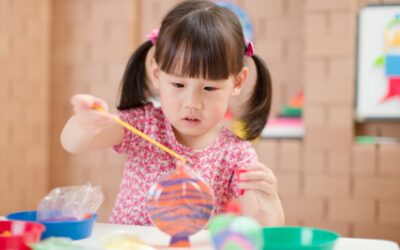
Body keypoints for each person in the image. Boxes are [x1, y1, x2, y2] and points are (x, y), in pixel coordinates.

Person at [61, 0, 284, 226]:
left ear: (237, 82)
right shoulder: (143, 124)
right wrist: (86, 124)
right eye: (178, 85)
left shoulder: (235, 155)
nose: (192, 103)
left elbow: (261, 230)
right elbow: (72, 144)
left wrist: (270, 203)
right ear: (157, 74)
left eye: (209, 88)